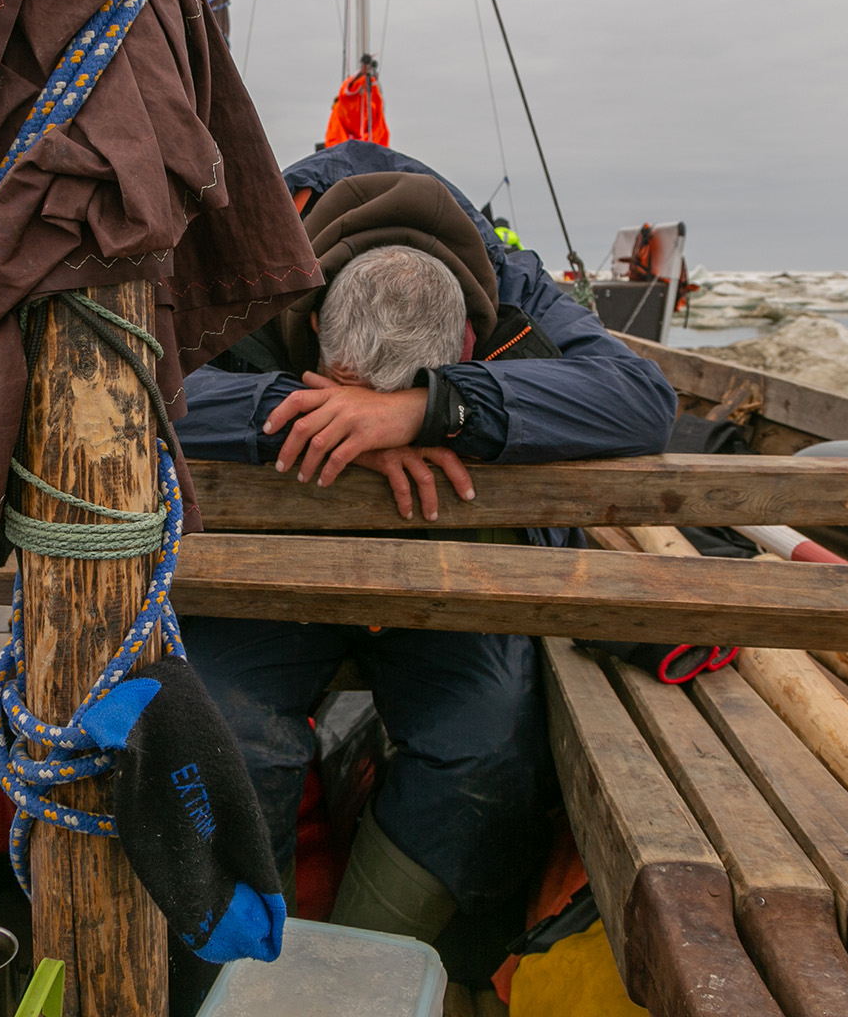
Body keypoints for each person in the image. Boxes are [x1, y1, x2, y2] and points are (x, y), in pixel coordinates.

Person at [172, 140, 676, 948]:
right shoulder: (243, 251)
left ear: (468, 343)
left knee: (487, 752)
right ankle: (241, 966)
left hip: (443, 554)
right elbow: (129, 375)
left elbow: (642, 400)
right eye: (337, 384)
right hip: (270, 560)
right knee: (219, 734)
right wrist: (293, 412)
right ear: (311, 325)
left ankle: (362, 966)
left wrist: (436, 408)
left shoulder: (508, 278)